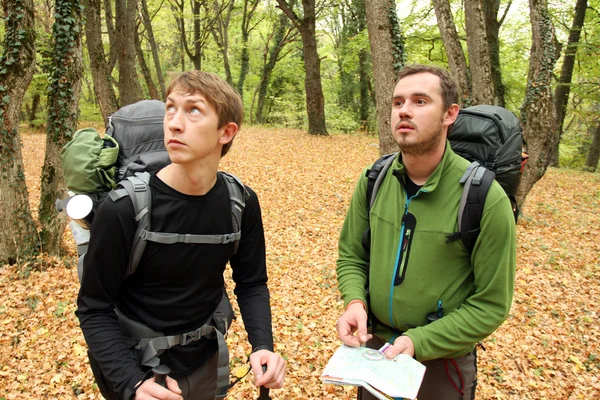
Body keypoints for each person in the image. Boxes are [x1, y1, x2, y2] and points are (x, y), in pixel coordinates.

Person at [76, 70, 286, 400]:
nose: (174, 122)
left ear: (226, 132)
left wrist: (263, 345)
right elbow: (93, 308)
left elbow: (252, 282)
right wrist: (131, 382)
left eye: (193, 110)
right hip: (136, 369)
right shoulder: (124, 209)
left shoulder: (241, 203)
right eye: (170, 108)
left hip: (205, 364)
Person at [335, 64, 516, 400]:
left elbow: (491, 304)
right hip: (374, 349)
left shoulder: (484, 199)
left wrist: (419, 342)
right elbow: (351, 255)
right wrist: (355, 301)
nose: (404, 110)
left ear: (450, 114)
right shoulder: (374, 180)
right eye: (398, 102)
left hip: (441, 365)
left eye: (420, 101)